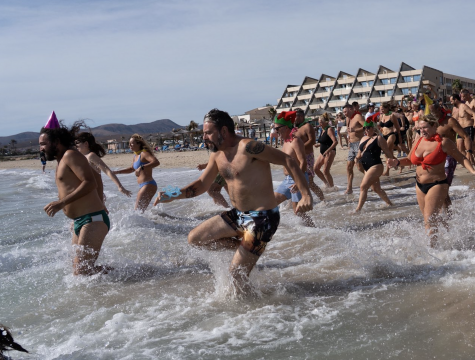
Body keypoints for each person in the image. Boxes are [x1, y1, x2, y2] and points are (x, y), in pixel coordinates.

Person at [154, 109, 312, 293]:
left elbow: (288, 160)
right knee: (195, 239)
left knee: (236, 275)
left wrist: (306, 194)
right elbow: (201, 185)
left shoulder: (249, 147)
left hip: (263, 218)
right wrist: (171, 194)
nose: (204, 137)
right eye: (203, 133)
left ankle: (259, 311)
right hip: (238, 215)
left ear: (223, 131)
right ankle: (246, 247)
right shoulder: (217, 154)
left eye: (208, 132)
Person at [39, 121, 111, 275]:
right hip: (81, 220)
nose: (41, 148)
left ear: (56, 142)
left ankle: (136, 276)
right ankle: (128, 276)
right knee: (78, 272)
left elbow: (90, 182)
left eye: (43, 143)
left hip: (93, 219)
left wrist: (61, 203)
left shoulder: (71, 155)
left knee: (82, 271)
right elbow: (96, 178)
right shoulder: (60, 161)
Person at [399, 114, 475, 243]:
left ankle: (432, 250)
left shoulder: (444, 142)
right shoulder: (418, 141)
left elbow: (461, 158)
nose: (422, 131)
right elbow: (409, 160)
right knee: (428, 219)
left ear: (434, 126)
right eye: (420, 128)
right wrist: (397, 162)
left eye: (425, 128)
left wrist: (473, 170)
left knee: (429, 219)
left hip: (437, 184)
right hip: (419, 185)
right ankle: (442, 234)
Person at [354, 113, 398, 213]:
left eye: (369, 128)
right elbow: (359, 154)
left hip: (376, 166)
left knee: (363, 186)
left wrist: (394, 162)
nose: (367, 130)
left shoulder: (379, 138)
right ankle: (390, 204)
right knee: (376, 189)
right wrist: (356, 160)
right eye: (365, 128)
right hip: (366, 167)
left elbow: (387, 152)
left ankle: (358, 210)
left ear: (374, 128)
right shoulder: (363, 139)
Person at [74, 129, 132, 203]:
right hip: (87, 192)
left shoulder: (91, 156)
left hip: (96, 192)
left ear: (86, 144)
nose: (76, 146)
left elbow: (107, 171)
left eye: (77, 143)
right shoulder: (81, 157)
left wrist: (120, 186)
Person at [113, 134, 160, 211]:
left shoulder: (144, 153)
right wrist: (117, 172)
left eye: (132, 143)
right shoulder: (135, 156)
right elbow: (132, 169)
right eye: (129, 144)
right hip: (142, 185)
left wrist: (142, 167)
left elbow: (156, 162)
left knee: (137, 211)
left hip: (148, 184)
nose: (130, 145)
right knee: (139, 212)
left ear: (138, 144)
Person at [293, 109, 325, 202]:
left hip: (307, 157)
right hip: (297, 158)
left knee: (310, 182)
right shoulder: (295, 128)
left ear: (302, 116)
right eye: (295, 116)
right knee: (296, 181)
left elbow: (312, 141)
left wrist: (301, 148)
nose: (295, 118)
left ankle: (323, 201)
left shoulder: (307, 126)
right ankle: (294, 202)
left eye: (297, 116)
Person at [344, 104, 365, 195]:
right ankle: (349, 188)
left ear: (351, 109)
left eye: (346, 111)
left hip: (359, 144)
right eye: (343, 112)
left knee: (360, 167)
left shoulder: (357, 116)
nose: (344, 113)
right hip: (352, 145)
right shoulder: (348, 119)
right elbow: (349, 131)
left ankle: (371, 178)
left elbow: (366, 126)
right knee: (349, 167)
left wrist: (356, 130)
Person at [378, 102, 402, 176]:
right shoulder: (381, 116)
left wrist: (399, 137)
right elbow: (379, 125)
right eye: (380, 109)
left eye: (382, 109)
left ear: (387, 108)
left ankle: (387, 171)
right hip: (384, 135)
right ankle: (399, 163)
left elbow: (397, 127)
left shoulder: (392, 116)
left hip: (391, 135)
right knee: (388, 153)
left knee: (387, 152)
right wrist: (380, 129)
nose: (381, 110)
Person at [314, 113, 338, 189]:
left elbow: (335, 142)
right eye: (319, 122)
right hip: (323, 152)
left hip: (330, 152)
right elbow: (326, 141)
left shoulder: (329, 129)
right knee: (315, 168)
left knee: (325, 171)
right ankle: (326, 183)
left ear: (326, 122)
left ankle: (332, 188)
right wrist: (319, 144)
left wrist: (328, 150)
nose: (319, 123)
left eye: (321, 122)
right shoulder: (322, 130)